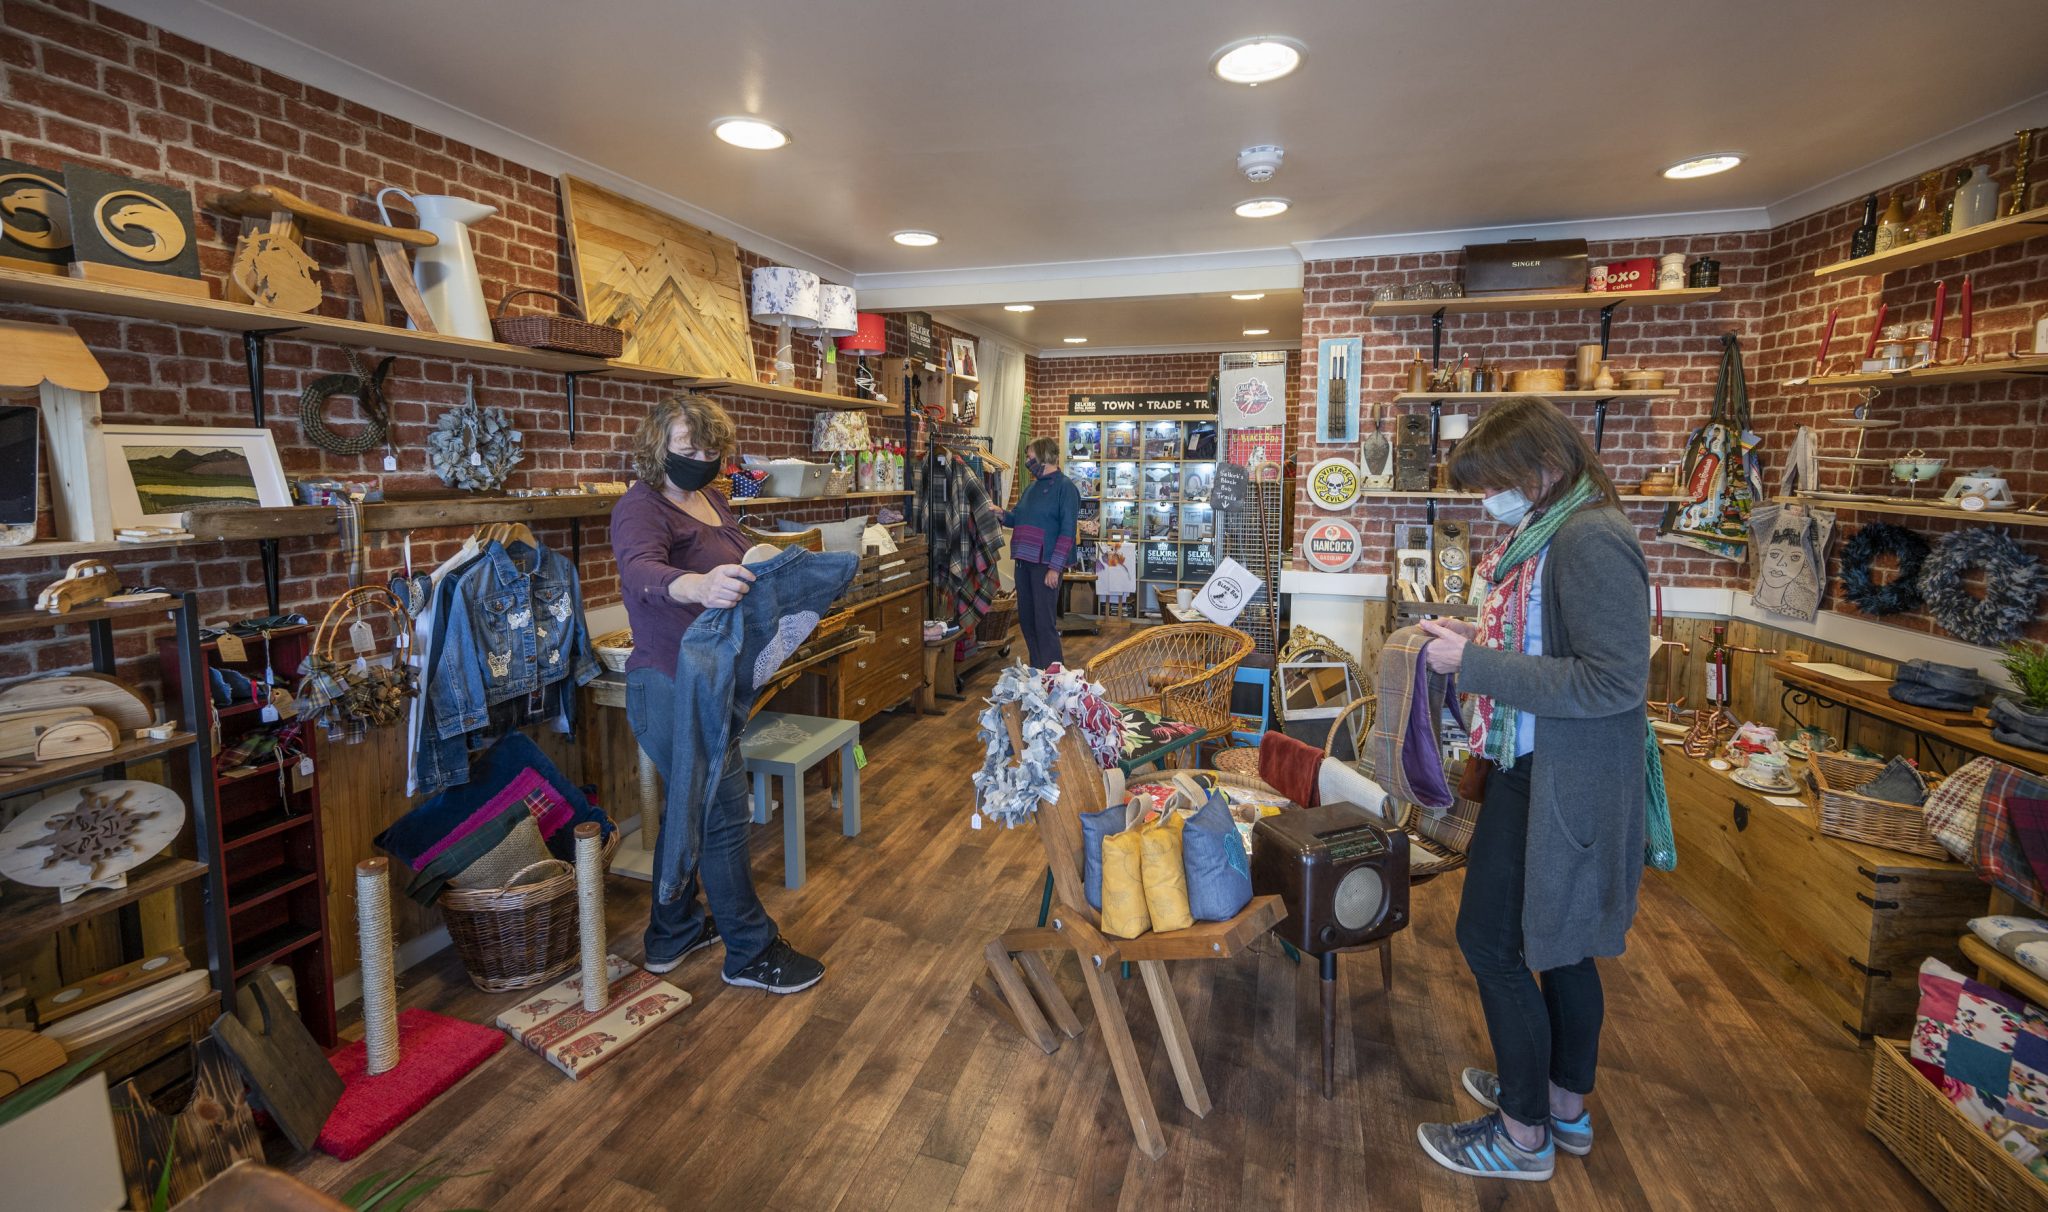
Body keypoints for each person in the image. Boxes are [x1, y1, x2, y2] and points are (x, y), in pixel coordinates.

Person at [1408, 396, 1651, 1182]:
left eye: (1495, 482)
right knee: (1563, 944)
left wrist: (1473, 666)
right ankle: (1559, 1104)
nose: (1488, 499)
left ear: (1542, 467)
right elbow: (1555, 647)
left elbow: (1613, 680)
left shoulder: (1588, 538)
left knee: (1492, 941)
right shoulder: (1553, 531)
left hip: (1559, 776)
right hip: (1547, 763)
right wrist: (1477, 642)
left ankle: (1521, 1135)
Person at [610, 394, 824, 994]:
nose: (701, 458)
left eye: (710, 449)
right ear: (658, 447)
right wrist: (699, 584)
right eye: (687, 449)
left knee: (692, 814)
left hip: (713, 680)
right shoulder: (639, 507)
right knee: (726, 815)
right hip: (672, 687)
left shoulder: (712, 499)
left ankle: (672, 934)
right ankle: (750, 953)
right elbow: (639, 573)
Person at [1002, 435, 1081, 668]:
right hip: (1023, 562)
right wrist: (1001, 514)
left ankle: (1055, 678)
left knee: (1044, 624)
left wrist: (1055, 568)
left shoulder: (1065, 488)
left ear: (1044, 457)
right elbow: (1017, 518)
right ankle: (1038, 672)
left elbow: (1068, 531)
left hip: (1045, 566)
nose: (1028, 462)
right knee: (1027, 621)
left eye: (1030, 457)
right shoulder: (1031, 488)